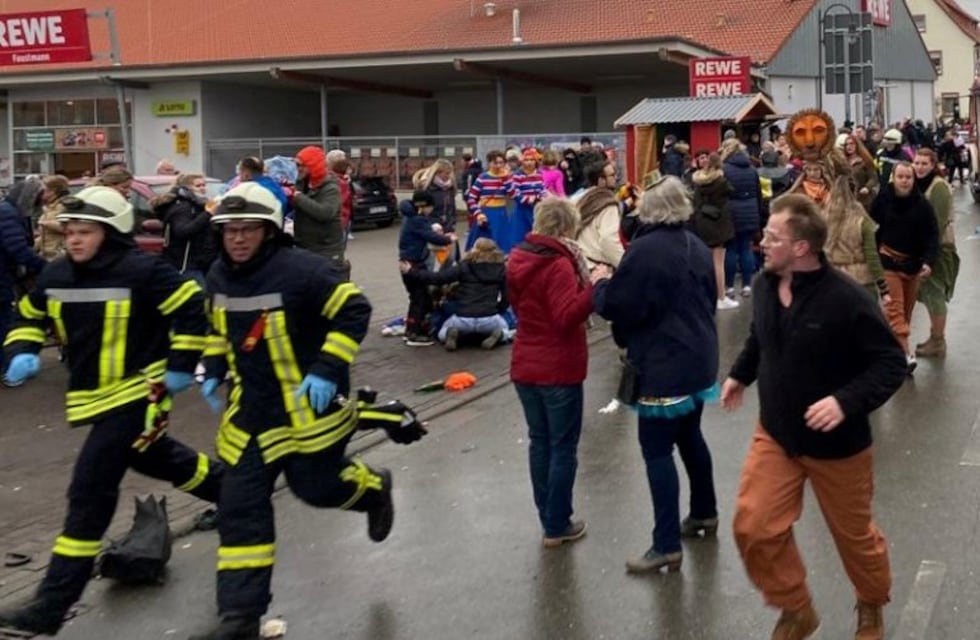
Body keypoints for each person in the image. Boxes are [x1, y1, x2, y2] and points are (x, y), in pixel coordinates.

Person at [0, 186, 223, 636]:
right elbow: (28, 314)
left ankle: (51, 605)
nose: (74, 239)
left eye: (85, 231)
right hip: (95, 399)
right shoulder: (58, 274)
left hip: (141, 392)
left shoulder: (143, 271)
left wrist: (181, 365)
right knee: (157, 457)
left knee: (89, 491)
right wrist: (21, 349)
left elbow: (191, 309)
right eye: (70, 231)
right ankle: (237, 494)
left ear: (111, 233)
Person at [192, 182, 401, 640]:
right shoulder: (218, 276)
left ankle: (372, 489)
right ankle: (240, 616)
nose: (238, 238)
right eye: (229, 230)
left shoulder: (304, 271)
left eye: (248, 229)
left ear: (269, 231)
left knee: (316, 488)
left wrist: (326, 368)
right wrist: (213, 366)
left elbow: (354, 310)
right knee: (239, 509)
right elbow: (218, 330)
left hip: (309, 412)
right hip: (251, 415)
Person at [722, 193, 906, 640]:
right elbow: (760, 336)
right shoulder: (765, 285)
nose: (762, 242)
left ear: (801, 247)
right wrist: (740, 375)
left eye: (773, 237)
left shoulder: (846, 299)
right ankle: (796, 608)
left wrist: (844, 401)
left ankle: (871, 603)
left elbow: (890, 363)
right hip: (777, 433)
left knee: (854, 538)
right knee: (753, 524)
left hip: (838, 447)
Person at [592, 176, 720, 574]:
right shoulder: (695, 243)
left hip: (665, 362)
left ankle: (665, 544)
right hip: (699, 355)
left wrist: (599, 284)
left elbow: (620, 305)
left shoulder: (645, 251)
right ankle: (704, 512)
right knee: (690, 437)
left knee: (657, 451)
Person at [507, 198, 593, 548]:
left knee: (539, 442)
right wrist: (595, 288)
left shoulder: (518, 258)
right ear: (567, 227)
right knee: (562, 446)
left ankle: (547, 516)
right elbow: (566, 316)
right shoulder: (558, 264)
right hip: (558, 366)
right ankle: (557, 523)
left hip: (525, 362)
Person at [869, 162, 939, 374]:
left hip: (913, 265)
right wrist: (873, 255)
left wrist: (928, 261)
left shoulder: (922, 205)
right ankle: (907, 356)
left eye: (908, 177)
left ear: (913, 179)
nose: (904, 181)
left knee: (906, 312)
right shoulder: (883, 199)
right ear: (894, 177)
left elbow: (932, 236)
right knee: (895, 310)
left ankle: (893, 351)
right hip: (888, 261)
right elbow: (871, 228)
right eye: (900, 176)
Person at [399, 237, 508, 351]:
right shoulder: (501, 269)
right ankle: (499, 335)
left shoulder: (465, 266)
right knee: (507, 331)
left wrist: (412, 271)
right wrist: (498, 309)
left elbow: (438, 278)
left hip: (464, 317)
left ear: (475, 249)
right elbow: (506, 296)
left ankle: (452, 334)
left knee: (442, 332)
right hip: (489, 317)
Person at [912, 148, 959, 359]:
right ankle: (935, 337)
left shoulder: (938, 187)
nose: (919, 167)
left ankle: (938, 341)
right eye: (917, 163)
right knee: (928, 294)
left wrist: (926, 255)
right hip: (924, 247)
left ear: (933, 165)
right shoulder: (919, 184)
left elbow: (936, 225)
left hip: (938, 249)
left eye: (924, 163)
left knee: (935, 293)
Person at [0, 181, 47, 373]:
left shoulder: (10, 211)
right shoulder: (8, 214)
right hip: (2, 276)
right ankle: (6, 367)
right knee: (4, 320)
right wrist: (45, 267)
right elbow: (18, 248)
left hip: (5, 273)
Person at [399, 191, 456, 346]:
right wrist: (448, 239)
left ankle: (413, 328)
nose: (432, 210)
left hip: (409, 261)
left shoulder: (410, 217)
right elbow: (431, 236)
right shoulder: (417, 220)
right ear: (424, 206)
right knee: (420, 298)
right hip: (413, 264)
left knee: (418, 297)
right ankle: (414, 333)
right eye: (431, 207)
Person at [822, 176, 889, 300]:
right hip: (861, 281)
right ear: (855, 192)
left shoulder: (823, 219)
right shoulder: (862, 221)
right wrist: (883, 287)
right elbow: (871, 255)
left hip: (832, 279)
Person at [293, 146, 348, 278]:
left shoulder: (331, 188)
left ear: (312, 165)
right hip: (306, 247)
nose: (298, 168)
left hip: (326, 250)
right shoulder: (302, 183)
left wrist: (298, 197)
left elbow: (325, 213)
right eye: (296, 165)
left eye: (301, 165)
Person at [152, 173, 217, 284]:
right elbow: (183, 231)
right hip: (186, 266)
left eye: (204, 185)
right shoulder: (183, 207)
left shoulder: (199, 205)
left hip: (202, 264)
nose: (202, 188)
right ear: (187, 188)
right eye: (198, 186)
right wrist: (207, 214)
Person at [690, 152, 736, 308]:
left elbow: (695, 203)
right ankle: (721, 297)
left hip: (702, 222)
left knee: (705, 262)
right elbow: (731, 192)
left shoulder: (697, 181)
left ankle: (707, 295)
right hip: (718, 223)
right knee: (718, 263)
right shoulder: (722, 182)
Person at [721, 139, 763, 298]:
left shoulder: (724, 169)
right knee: (746, 248)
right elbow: (758, 194)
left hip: (731, 213)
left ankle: (730, 286)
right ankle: (747, 285)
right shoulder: (752, 169)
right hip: (750, 213)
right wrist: (758, 215)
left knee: (731, 249)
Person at [575, 159, 625, 269]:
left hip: (580, 264)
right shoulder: (608, 205)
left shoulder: (579, 199)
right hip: (599, 268)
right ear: (601, 180)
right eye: (612, 175)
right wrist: (625, 265)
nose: (616, 178)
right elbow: (608, 240)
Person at [465, 150, 515, 253]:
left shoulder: (506, 178)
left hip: (501, 214)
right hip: (485, 213)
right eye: (495, 163)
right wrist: (478, 214)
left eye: (501, 163)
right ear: (489, 163)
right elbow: (471, 198)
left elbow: (513, 194)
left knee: (502, 245)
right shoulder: (482, 178)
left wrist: (506, 178)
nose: (498, 166)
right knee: (482, 245)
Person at [510, 148, 546, 249]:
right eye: (526, 160)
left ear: (536, 161)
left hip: (537, 208)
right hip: (522, 209)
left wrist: (539, 198)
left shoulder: (539, 174)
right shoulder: (518, 175)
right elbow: (515, 192)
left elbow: (543, 190)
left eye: (532, 160)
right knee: (521, 232)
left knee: (537, 231)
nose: (529, 162)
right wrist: (527, 199)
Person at [838, 133, 878, 210]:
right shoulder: (843, 161)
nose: (849, 146)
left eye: (851, 144)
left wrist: (867, 187)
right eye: (846, 144)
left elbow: (873, 178)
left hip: (862, 199)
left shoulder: (865, 161)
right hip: (847, 199)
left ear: (857, 145)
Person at [35, 175, 71, 260]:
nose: (41, 192)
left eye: (44, 189)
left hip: (59, 255)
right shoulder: (49, 207)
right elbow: (46, 235)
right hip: (47, 254)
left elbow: (66, 227)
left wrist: (46, 223)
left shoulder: (63, 206)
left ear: (52, 191)